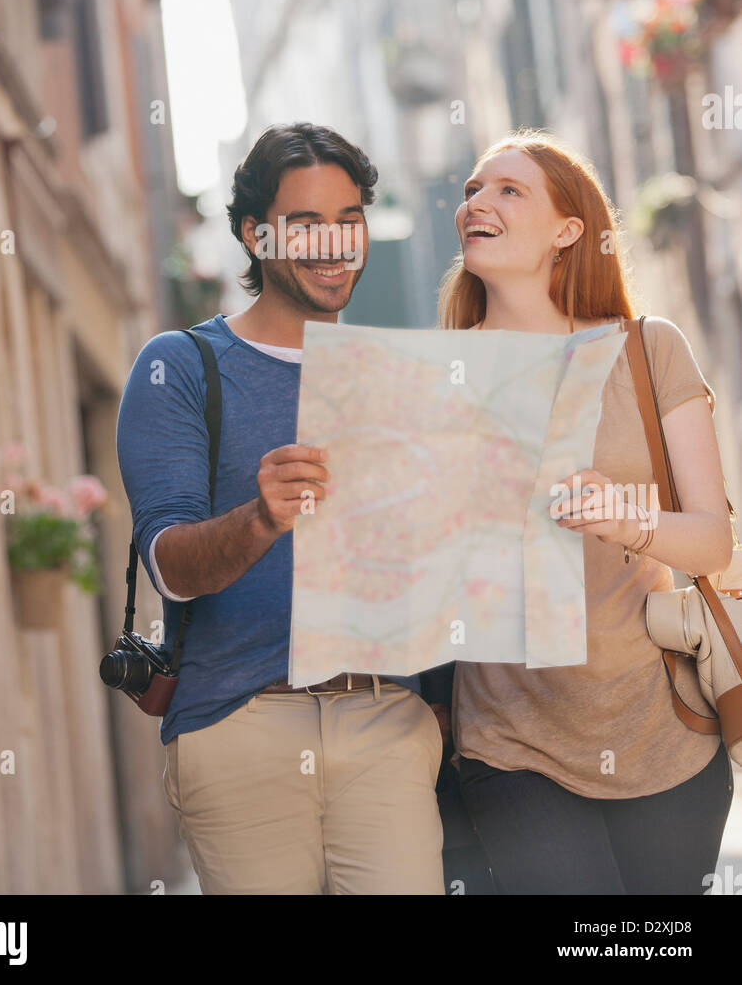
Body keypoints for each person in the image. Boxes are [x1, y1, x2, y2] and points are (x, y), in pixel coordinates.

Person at [116, 122, 445, 895]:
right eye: (305, 223)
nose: (334, 244)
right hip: (239, 724)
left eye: (348, 219)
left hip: (385, 717)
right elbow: (169, 567)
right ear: (254, 234)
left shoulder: (402, 378)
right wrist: (259, 519)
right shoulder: (179, 366)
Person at [441, 130, 736, 896]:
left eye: (510, 190)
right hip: (512, 744)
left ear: (570, 229)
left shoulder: (649, 350)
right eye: (474, 189)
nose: (479, 202)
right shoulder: (439, 374)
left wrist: (625, 519)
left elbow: (711, 540)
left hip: (665, 731)